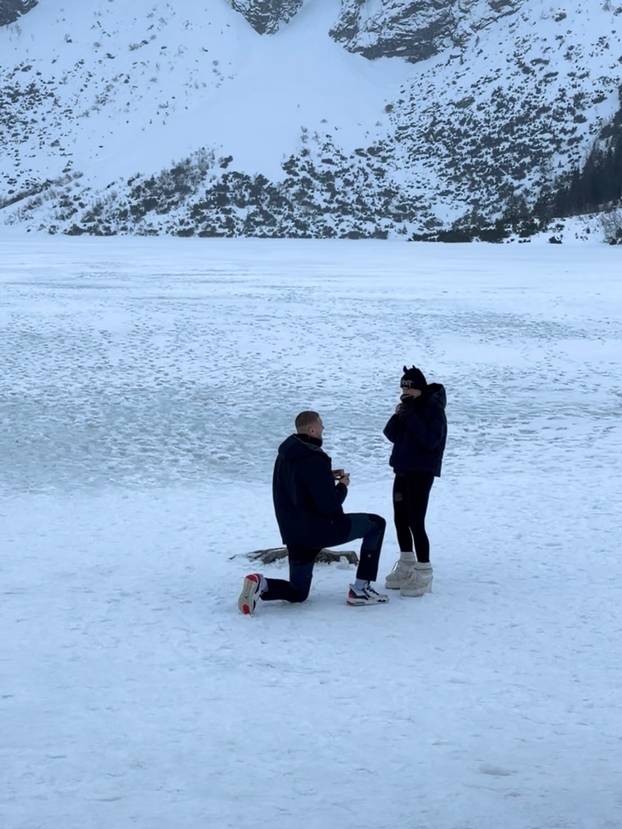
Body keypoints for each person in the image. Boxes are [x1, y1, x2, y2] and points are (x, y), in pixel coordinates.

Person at [238, 410, 388, 615]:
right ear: (312, 429)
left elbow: (300, 484)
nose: (323, 429)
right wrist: (342, 486)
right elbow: (329, 505)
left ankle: (261, 584)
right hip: (321, 529)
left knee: (298, 592)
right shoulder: (315, 458)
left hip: (294, 534)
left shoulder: (285, 454)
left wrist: (326, 476)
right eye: (321, 426)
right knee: (376, 525)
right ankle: (361, 589)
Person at [382, 366, 447, 597]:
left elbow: (431, 441)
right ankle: (406, 563)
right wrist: (399, 414)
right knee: (400, 519)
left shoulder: (434, 408)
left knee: (416, 521)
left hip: (421, 471)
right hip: (402, 469)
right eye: (402, 387)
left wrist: (410, 416)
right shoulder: (409, 408)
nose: (405, 391)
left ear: (420, 388)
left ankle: (424, 571)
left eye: (409, 388)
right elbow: (390, 434)